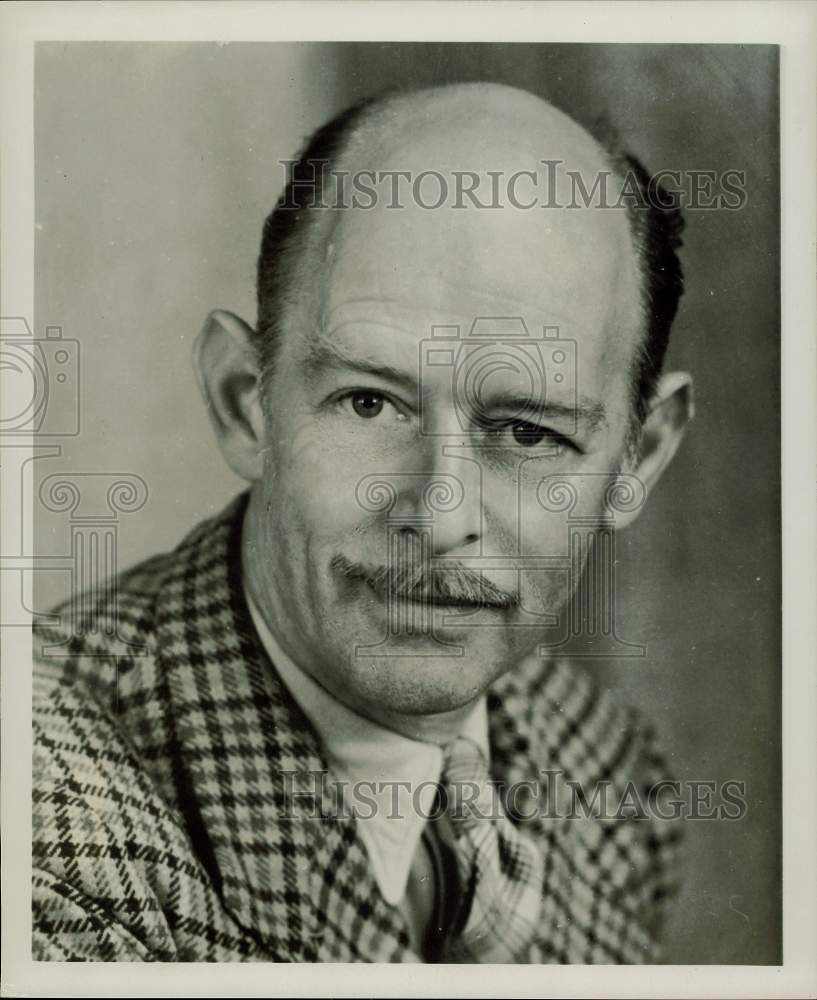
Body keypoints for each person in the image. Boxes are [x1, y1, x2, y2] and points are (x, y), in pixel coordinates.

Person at [32, 81, 693, 962]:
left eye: (528, 431)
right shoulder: (42, 828)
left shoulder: (607, 768)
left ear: (634, 461)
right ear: (245, 403)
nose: (441, 513)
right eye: (369, 404)